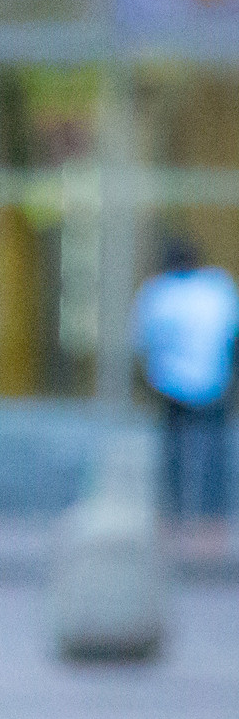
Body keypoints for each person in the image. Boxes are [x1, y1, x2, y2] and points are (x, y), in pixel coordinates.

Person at [132, 237, 239, 558]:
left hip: (171, 385)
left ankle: (173, 521)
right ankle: (210, 525)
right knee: (213, 459)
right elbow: (231, 336)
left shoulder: (157, 293)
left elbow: (142, 341)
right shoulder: (217, 287)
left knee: (173, 457)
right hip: (213, 383)